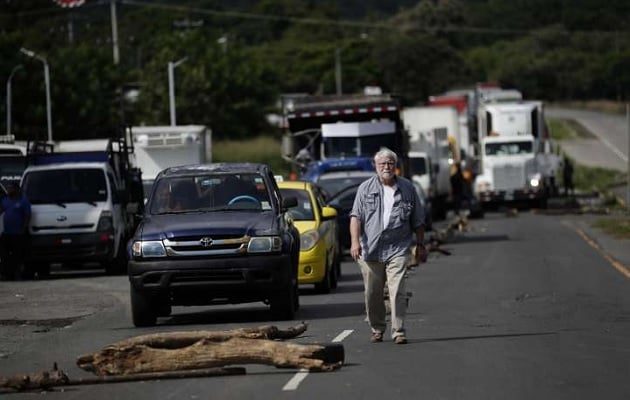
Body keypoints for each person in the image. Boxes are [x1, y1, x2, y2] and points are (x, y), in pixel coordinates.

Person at [349, 148, 427, 345]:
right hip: (370, 248)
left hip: (398, 247)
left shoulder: (408, 188)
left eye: (390, 163)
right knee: (373, 293)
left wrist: (420, 244)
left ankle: (398, 330)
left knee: (398, 289)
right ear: (375, 166)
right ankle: (377, 327)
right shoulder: (365, 189)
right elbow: (356, 217)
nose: (386, 167)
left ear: (396, 166)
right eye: (382, 164)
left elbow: (418, 219)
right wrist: (355, 242)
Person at [0, 182, 32, 280]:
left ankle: (18, 274)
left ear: (17, 189)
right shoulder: (5, 201)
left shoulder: (23, 201)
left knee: (18, 255)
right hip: (6, 233)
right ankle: (6, 274)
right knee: (4, 255)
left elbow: (27, 216)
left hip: (18, 233)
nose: (9, 190)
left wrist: (23, 228)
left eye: (11, 188)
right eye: (8, 188)